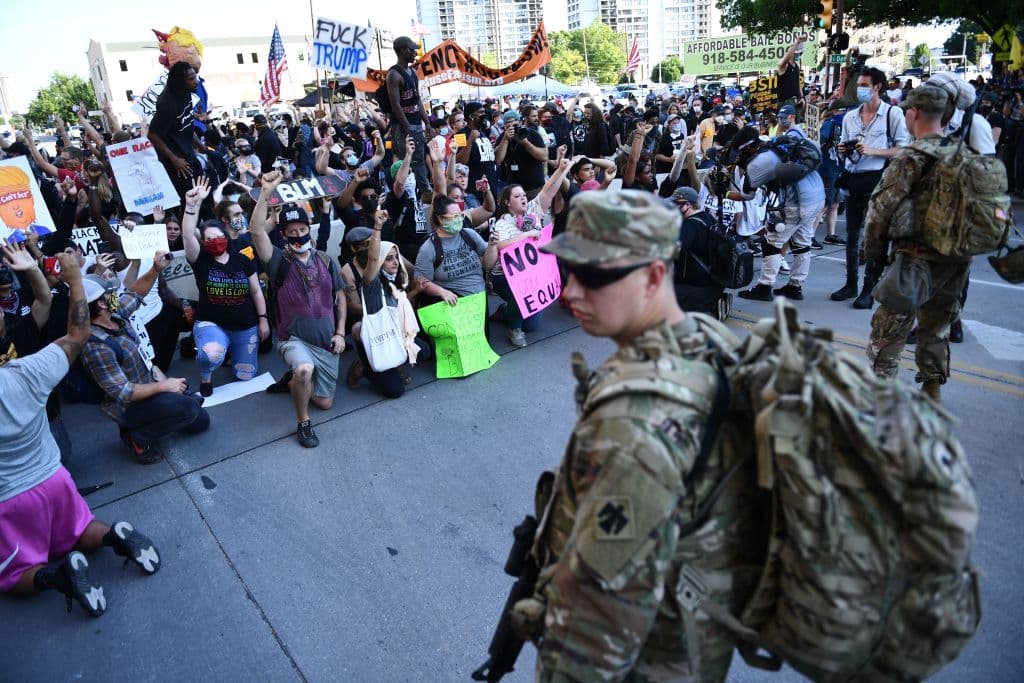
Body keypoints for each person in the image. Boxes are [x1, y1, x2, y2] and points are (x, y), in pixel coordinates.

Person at [509, 189, 750, 680]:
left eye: (594, 276)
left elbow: (601, 609)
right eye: (569, 272)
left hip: (648, 655)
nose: (569, 292)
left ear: (654, 276)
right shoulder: (703, 339)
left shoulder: (634, 423)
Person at [1, 253, 162, 618]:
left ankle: (60, 577)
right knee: (81, 528)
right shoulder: (27, 370)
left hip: (8, 502)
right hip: (54, 479)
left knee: (14, 575)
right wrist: (75, 280)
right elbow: (78, 334)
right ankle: (114, 536)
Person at [864, 85, 976, 404]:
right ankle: (932, 393)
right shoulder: (964, 154)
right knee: (936, 331)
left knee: (887, 336)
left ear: (912, 113)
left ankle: (880, 409)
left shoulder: (912, 157)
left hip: (914, 261)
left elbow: (880, 210)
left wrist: (872, 258)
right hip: (955, 263)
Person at [250, 171, 346, 449]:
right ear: (284, 235)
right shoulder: (277, 261)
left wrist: (340, 333)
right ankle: (303, 422)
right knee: (305, 369)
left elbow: (339, 296)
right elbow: (256, 231)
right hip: (293, 339)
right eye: (291, 232)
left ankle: (293, 382)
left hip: (326, 342)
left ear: (309, 229)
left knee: (326, 403)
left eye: (302, 230)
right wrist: (266, 192)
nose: (298, 235)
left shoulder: (327, 261)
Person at [180, 179, 269, 397]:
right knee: (211, 354)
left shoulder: (243, 258)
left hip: (244, 325)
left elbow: (256, 291)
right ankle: (206, 374)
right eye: (209, 239)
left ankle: (231, 350)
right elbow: (187, 235)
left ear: (226, 237)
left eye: (219, 237)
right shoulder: (200, 259)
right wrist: (192, 206)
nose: (216, 241)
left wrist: (263, 319)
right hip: (212, 322)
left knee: (245, 375)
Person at [831, 67, 909, 308]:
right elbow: (842, 147)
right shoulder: (850, 117)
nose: (860, 89)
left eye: (865, 84)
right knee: (852, 235)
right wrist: (843, 150)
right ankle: (851, 283)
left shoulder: (892, 114)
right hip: (854, 179)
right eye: (859, 85)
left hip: (879, 180)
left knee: (874, 237)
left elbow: (903, 149)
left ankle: (869, 288)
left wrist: (874, 150)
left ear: (878, 87)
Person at [736, 126, 826, 301]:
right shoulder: (777, 144)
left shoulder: (758, 163)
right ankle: (795, 286)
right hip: (817, 196)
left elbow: (747, 195)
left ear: (746, 148)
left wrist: (724, 193)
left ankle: (764, 287)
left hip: (798, 202)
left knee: (772, 243)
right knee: (802, 242)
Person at [489, 159, 572, 348]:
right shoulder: (501, 223)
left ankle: (506, 310)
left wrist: (561, 170)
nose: (523, 198)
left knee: (532, 325)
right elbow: (500, 246)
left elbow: (548, 192)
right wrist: (526, 235)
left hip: (531, 274)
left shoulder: (533, 211)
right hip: (504, 278)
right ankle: (513, 328)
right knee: (521, 300)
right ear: (507, 202)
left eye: (523, 195)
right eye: (517, 196)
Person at [346, 209, 425, 397]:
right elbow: (373, 258)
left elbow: (411, 279)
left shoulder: (395, 274)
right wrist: (378, 226)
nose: (395, 262)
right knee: (396, 391)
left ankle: (395, 363)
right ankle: (363, 367)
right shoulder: (371, 282)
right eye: (388, 258)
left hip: (395, 327)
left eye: (395, 257)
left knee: (425, 351)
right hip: (378, 331)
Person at [414, 195, 496, 306]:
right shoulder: (428, 249)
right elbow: (422, 282)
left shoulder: (469, 234)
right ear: (440, 218)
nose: (459, 219)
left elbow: (488, 265)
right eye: (454, 216)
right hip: (453, 307)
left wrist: (492, 245)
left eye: (460, 215)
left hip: (479, 302)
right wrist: (441, 292)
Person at [148, 61, 201, 208]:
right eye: (191, 79)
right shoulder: (166, 103)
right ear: (180, 82)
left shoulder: (187, 93)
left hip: (189, 155)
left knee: (203, 195)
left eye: (194, 76)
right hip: (177, 162)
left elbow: (186, 125)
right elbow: (152, 135)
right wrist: (175, 159)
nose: (195, 81)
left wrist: (202, 146)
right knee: (189, 203)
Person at [670, 186, 727, 317]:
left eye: (675, 205)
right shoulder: (709, 218)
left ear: (688, 205)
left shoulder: (689, 226)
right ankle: (714, 299)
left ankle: (709, 306)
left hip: (698, 287)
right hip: (716, 283)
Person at [387, 36, 431, 194]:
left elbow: (417, 100)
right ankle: (402, 192)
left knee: (419, 158)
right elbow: (396, 106)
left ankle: (425, 192)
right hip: (402, 126)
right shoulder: (394, 74)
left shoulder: (412, 72)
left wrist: (428, 123)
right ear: (401, 51)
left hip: (416, 123)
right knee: (403, 159)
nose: (415, 52)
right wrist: (408, 128)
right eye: (411, 49)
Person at [495, 109, 548, 197]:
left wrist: (525, 142)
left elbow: (543, 156)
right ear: (504, 125)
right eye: (508, 122)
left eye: (514, 121)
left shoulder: (532, 134)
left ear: (519, 122)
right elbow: (498, 160)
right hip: (513, 190)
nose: (512, 124)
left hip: (534, 188)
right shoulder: (503, 137)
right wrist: (505, 139)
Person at [777, 35, 806, 111]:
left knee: (797, 122)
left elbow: (798, 83)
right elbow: (787, 57)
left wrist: (802, 97)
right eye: (799, 53)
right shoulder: (784, 65)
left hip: (796, 101)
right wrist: (796, 43)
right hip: (785, 102)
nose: (800, 55)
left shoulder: (796, 66)